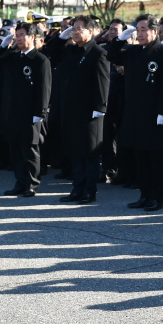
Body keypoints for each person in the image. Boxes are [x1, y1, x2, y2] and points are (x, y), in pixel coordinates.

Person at [108, 14, 163, 212]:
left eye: (144, 29)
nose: (140, 33)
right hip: (134, 113)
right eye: (138, 30)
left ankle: (156, 197)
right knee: (140, 157)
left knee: (154, 158)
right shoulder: (134, 51)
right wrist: (120, 39)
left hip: (154, 114)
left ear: (155, 31)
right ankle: (144, 195)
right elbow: (112, 55)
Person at [0, 21, 52, 197]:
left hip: (30, 112)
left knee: (30, 150)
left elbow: (44, 88)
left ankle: (32, 183)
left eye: (21, 35)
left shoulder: (40, 60)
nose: (18, 38)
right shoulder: (13, 57)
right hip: (12, 111)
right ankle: (20, 182)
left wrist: (40, 112)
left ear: (32, 37)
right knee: (15, 151)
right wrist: (3, 45)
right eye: (16, 35)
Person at [56, 16, 110, 203]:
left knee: (90, 153)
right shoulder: (71, 50)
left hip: (90, 111)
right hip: (72, 109)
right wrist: (62, 37)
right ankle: (77, 188)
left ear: (91, 31)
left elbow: (103, 82)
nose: (75, 32)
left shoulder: (98, 52)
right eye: (74, 28)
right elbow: (52, 52)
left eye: (80, 28)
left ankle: (89, 190)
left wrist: (100, 107)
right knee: (75, 151)